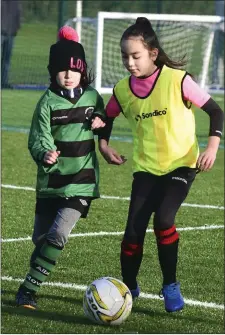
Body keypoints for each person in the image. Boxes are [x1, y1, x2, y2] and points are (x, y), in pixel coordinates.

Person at [99, 17, 224, 312]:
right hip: (146, 168)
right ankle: (128, 288)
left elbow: (216, 111)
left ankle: (170, 285)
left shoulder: (177, 80)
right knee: (132, 231)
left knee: (164, 219)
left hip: (182, 165)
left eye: (136, 56)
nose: (130, 62)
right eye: (125, 57)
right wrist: (103, 145)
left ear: (153, 54)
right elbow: (107, 117)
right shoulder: (122, 90)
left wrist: (212, 147)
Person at [15, 27, 106, 309]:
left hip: (82, 181)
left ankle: (27, 291)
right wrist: (45, 154)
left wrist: (102, 121)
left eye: (74, 69)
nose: (68, 74)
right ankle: (38, 268)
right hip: (51, 184)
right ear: (53, 72)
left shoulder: (93, 98)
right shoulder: (46, 104)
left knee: (58, 235)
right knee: (40, 240)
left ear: (83, 71)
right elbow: (37, 140)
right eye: (62, 69)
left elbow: (105, 116)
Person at [1, 0, 21, 89]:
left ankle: (3, 82)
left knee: (6, 60)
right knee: (6, 60)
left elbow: (18, 13)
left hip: (10, 32)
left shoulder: (16, 2)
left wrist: (16, 28)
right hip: (2, 31)